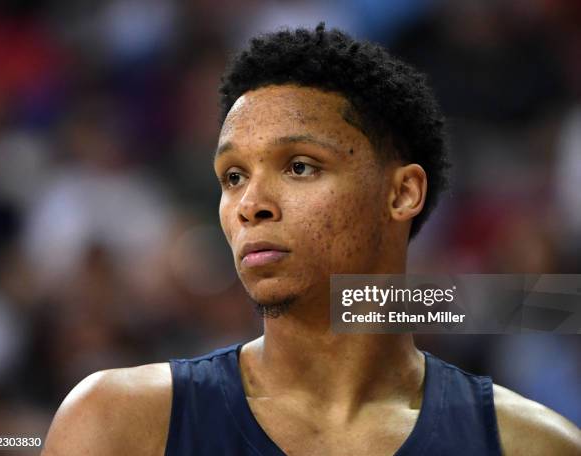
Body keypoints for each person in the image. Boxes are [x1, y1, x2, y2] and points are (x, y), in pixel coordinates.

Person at [42, 24, 580, 455]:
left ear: (402, 194)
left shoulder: (533, 445)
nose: (251, 202)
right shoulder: (117, 422)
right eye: (233, 176)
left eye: (299, 166)